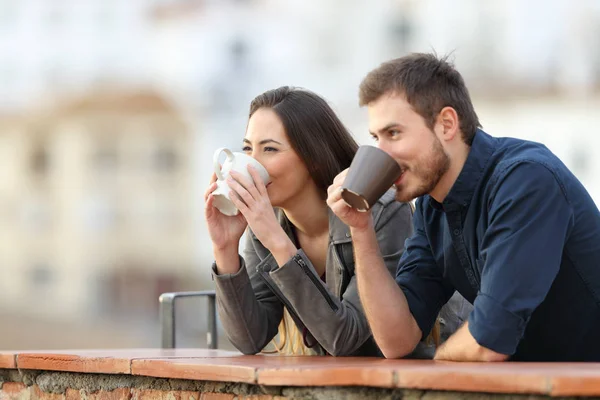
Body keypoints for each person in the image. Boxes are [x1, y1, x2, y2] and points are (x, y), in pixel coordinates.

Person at [327, 53, 600, 362]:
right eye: (376, 138)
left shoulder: (526, 181)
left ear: (446, 124)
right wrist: (361, 228)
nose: (382, 153)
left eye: (394, 134)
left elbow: (488, 340)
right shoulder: (432, 207)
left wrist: (440, 364)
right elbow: (396, 340)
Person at [205, 86, 470, 357]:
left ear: (313, 158)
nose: (250, 164)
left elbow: (346, 338)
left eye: (270, 149)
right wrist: (225, 249)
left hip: (433, 369)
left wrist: (278, 243)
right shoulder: (267, 223)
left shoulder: (379, 210)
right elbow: (250, 338)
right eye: (247, 149)